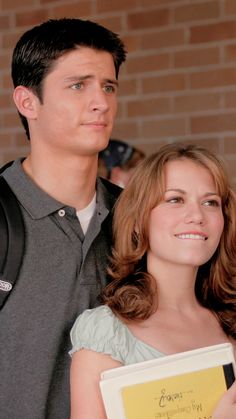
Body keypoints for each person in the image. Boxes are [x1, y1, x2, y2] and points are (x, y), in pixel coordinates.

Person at [0, 18, 126, 419]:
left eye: (108, 86)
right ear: (27, 102)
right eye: (78, 85)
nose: (101, 102)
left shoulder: (138, 217)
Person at [70, 143, 236, 418]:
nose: (197, 215)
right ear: (138, 220)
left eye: (210, 202)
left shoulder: (229, 322)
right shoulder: (105, 333)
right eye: (175, 199)